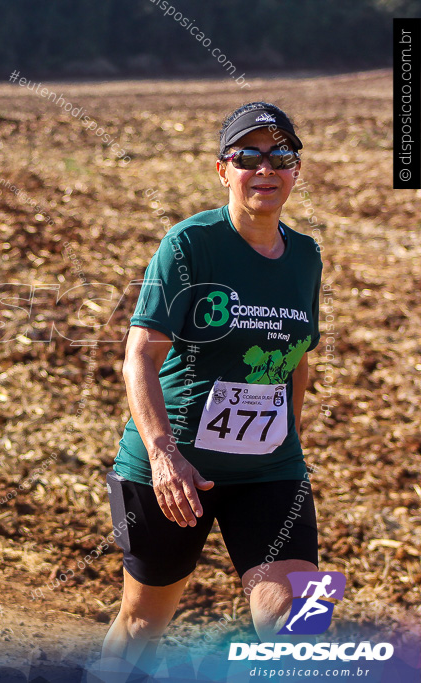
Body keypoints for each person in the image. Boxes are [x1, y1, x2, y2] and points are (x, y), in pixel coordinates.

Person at [100, 102, 322, 676]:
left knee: (297, 615)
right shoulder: (189, 245)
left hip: (270, 471)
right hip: (177, 470)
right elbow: (140, 357)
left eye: (281, 157)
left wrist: (287, 441)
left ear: (296, 170)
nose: (266, 169)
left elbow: (297, 356)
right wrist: (163, 455)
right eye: (248, 157)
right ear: (223, 170)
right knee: (144, 624)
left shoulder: (306, 256)